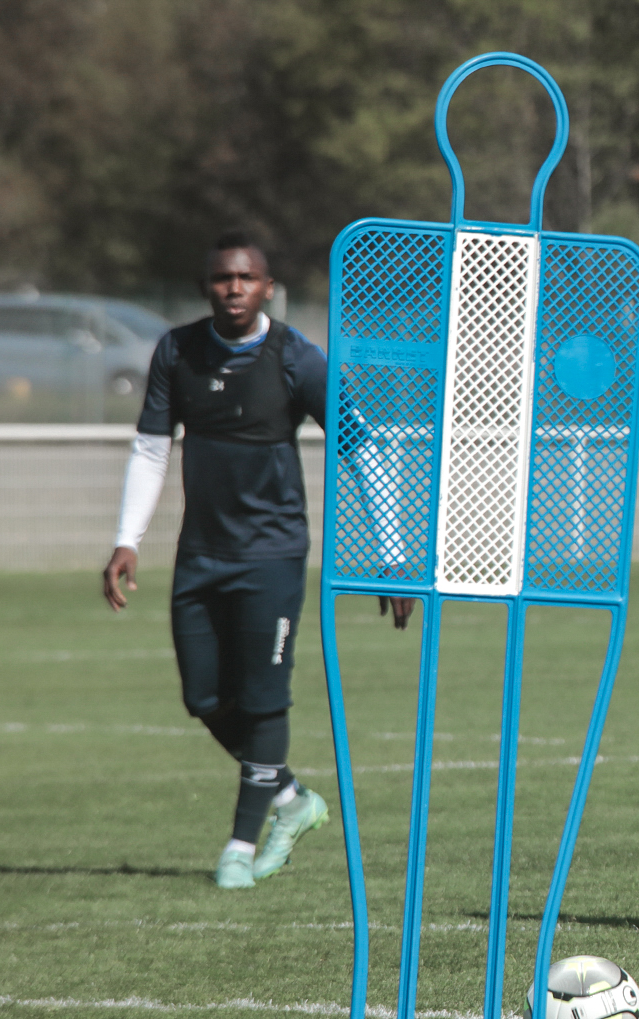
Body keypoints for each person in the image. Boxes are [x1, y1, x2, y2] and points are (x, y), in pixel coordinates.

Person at [101, 230, 411, 890]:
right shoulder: (177, 351)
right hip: (200, 556)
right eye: (222, 279)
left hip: (271, 556)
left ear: (268, 287)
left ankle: (241, 848)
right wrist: (128, 538)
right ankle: (294, 800)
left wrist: (393, 556)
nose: (234, 288)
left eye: (247, 278)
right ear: (206, 286)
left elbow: (362, 446)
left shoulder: (297, 359)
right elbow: (152, 450)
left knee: (266, 701)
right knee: (204, 697)